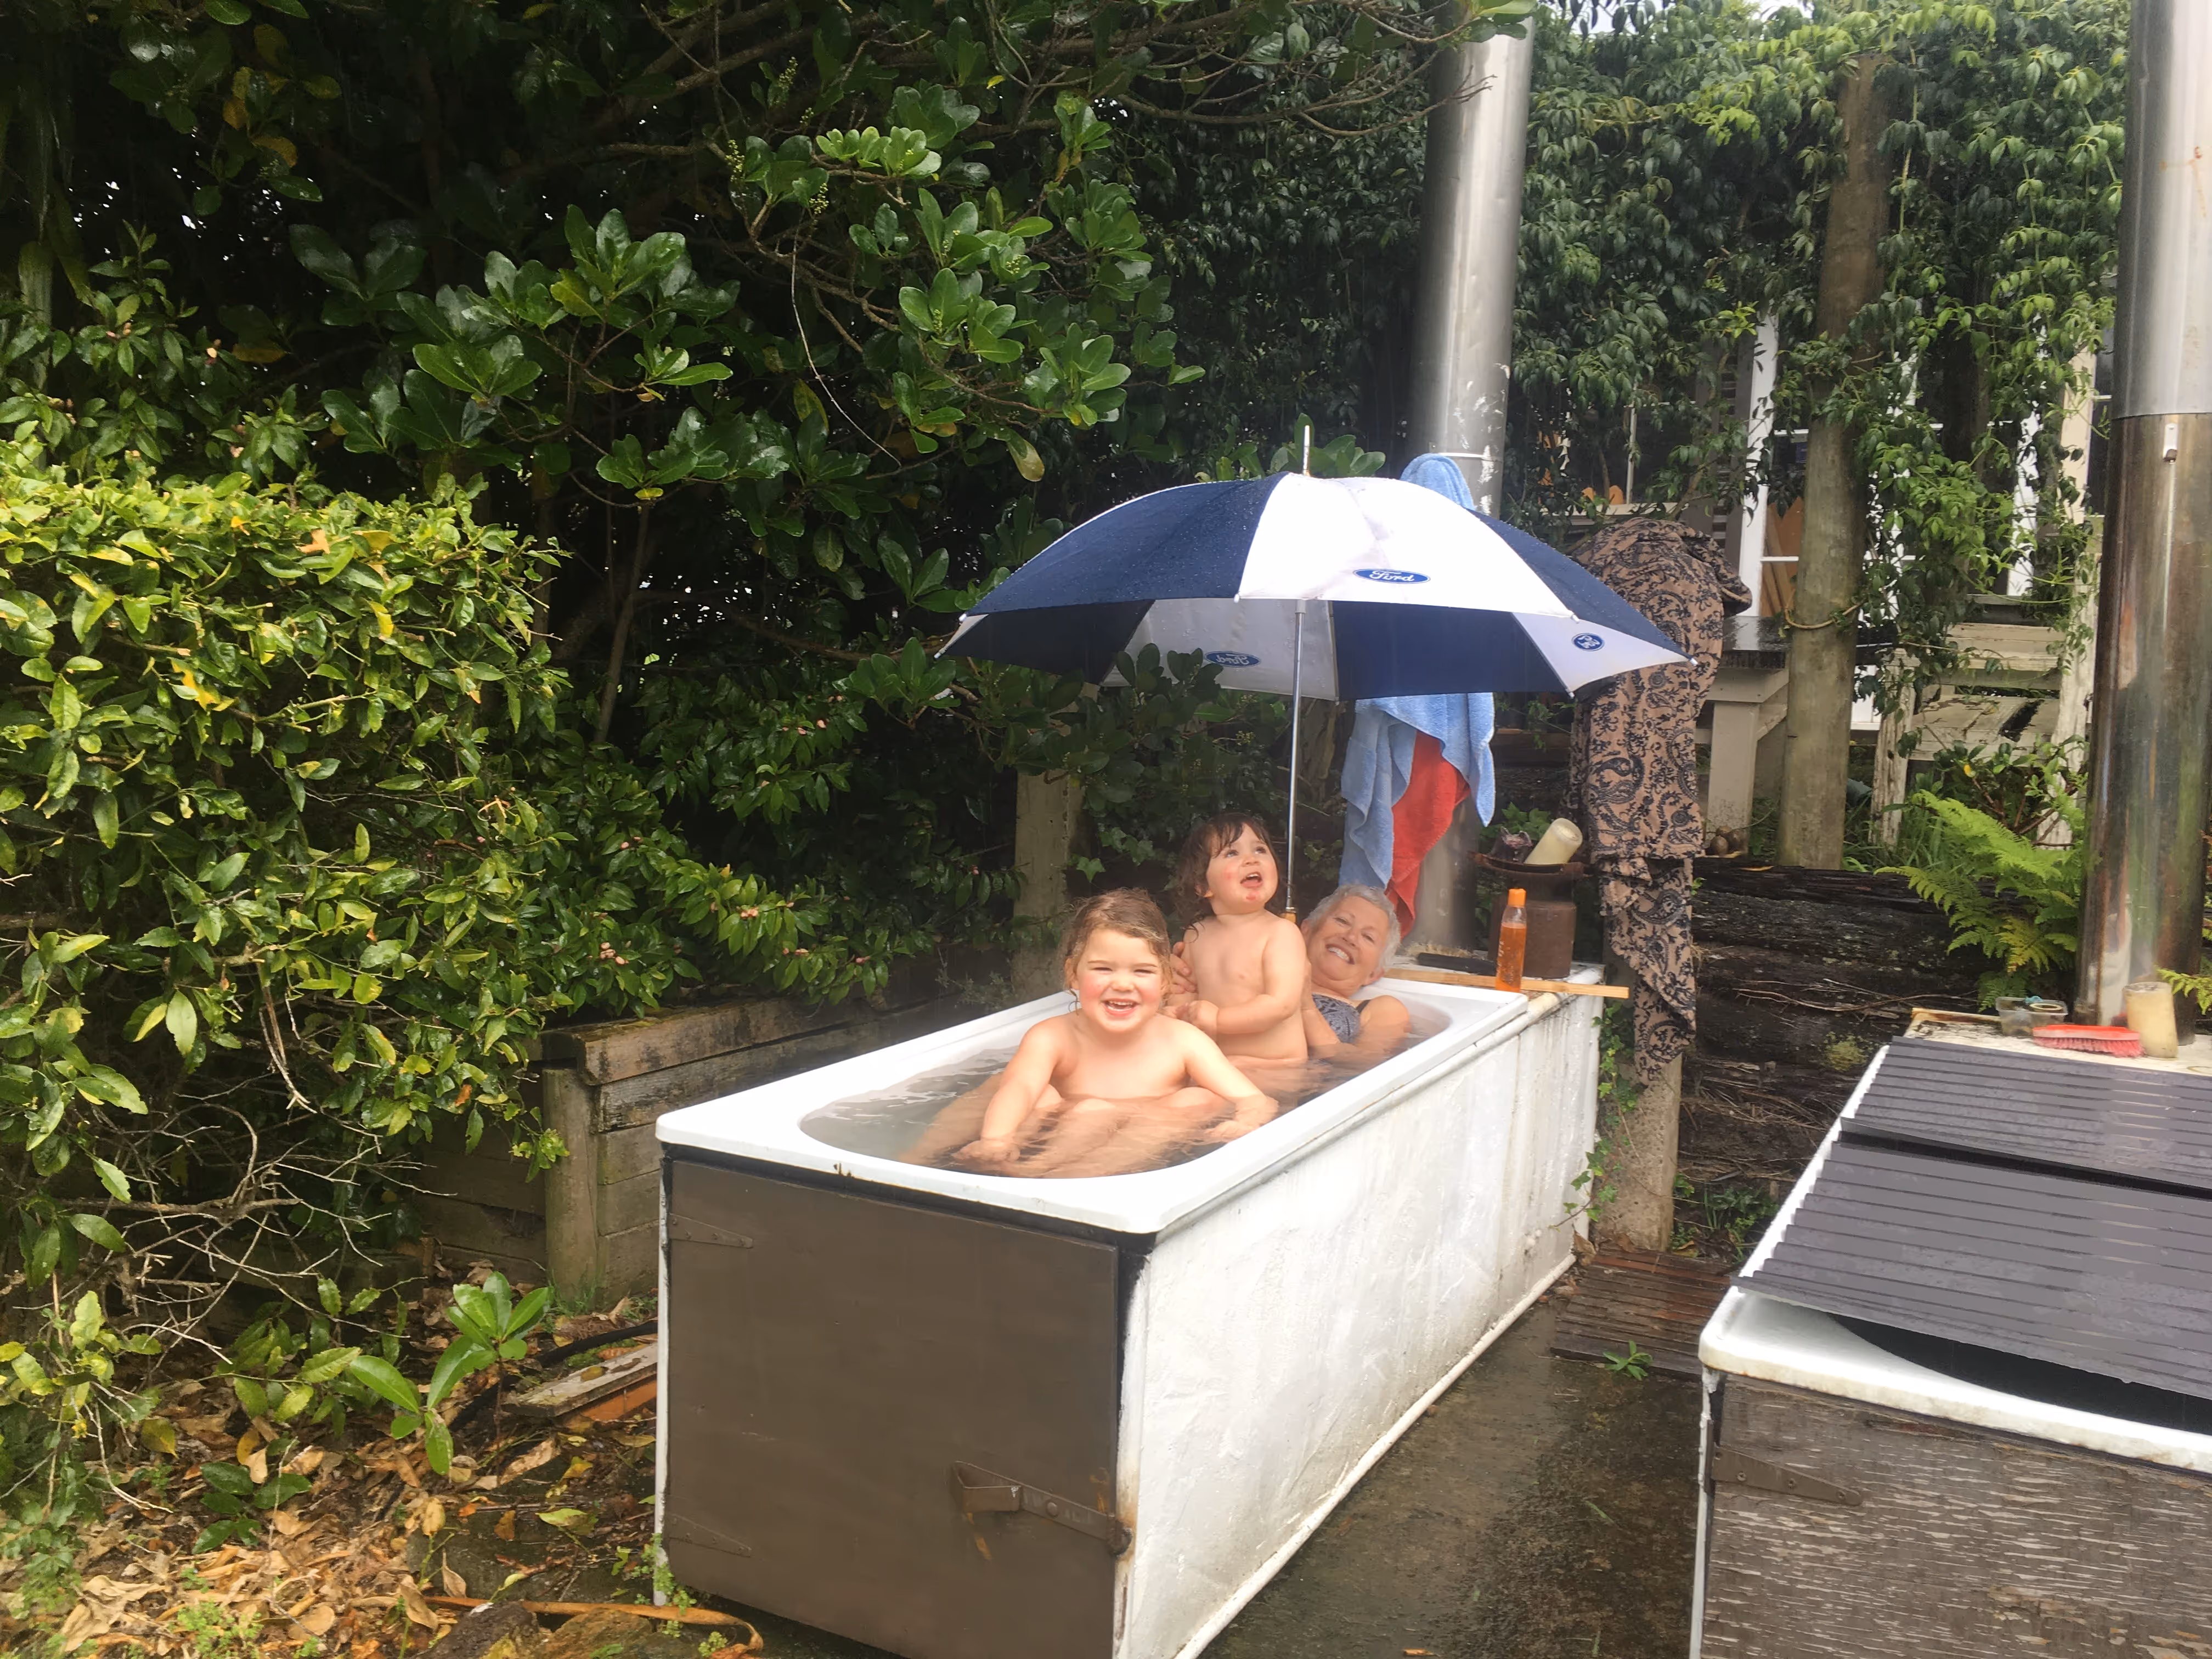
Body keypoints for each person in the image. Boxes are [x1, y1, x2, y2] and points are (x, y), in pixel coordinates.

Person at [945, 889, 1276, 1176]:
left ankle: (1044, 1175)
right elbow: (1019, 1088)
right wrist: (996, 1140)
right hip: (1053, 1133)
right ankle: (1004, 1165)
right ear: (1073, 974)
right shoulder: (1052, 1036)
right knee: (1040, 1094)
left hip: (1134, 1145)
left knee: (1199, 1098)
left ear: (1165, 981)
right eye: (1103, 968)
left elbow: (1254, 1099)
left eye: (1142, 971)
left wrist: (1246, 1121)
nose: (1122, 984)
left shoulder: (1183, 1041)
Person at [1163, 814, 1311, 1065]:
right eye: (1232, 853)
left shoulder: (1281, 933)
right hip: (1219, 1065)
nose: (1252, 859)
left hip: (1277, 1067)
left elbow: (1281, 1004)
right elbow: (1186, 992)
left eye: (1260, 849)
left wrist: (1219, 1020)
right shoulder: (1197, 934)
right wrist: (1174, 1013)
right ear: (1203, 885)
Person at [1299, 884, 1413, 1056]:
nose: (1350, 937)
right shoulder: (1258, 973)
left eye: (1368, 937)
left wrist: (1306, 1006)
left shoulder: (1382, 1009)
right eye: (1342, 921)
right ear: (1306, 931)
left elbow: (1362, 1068)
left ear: (1374, 973)